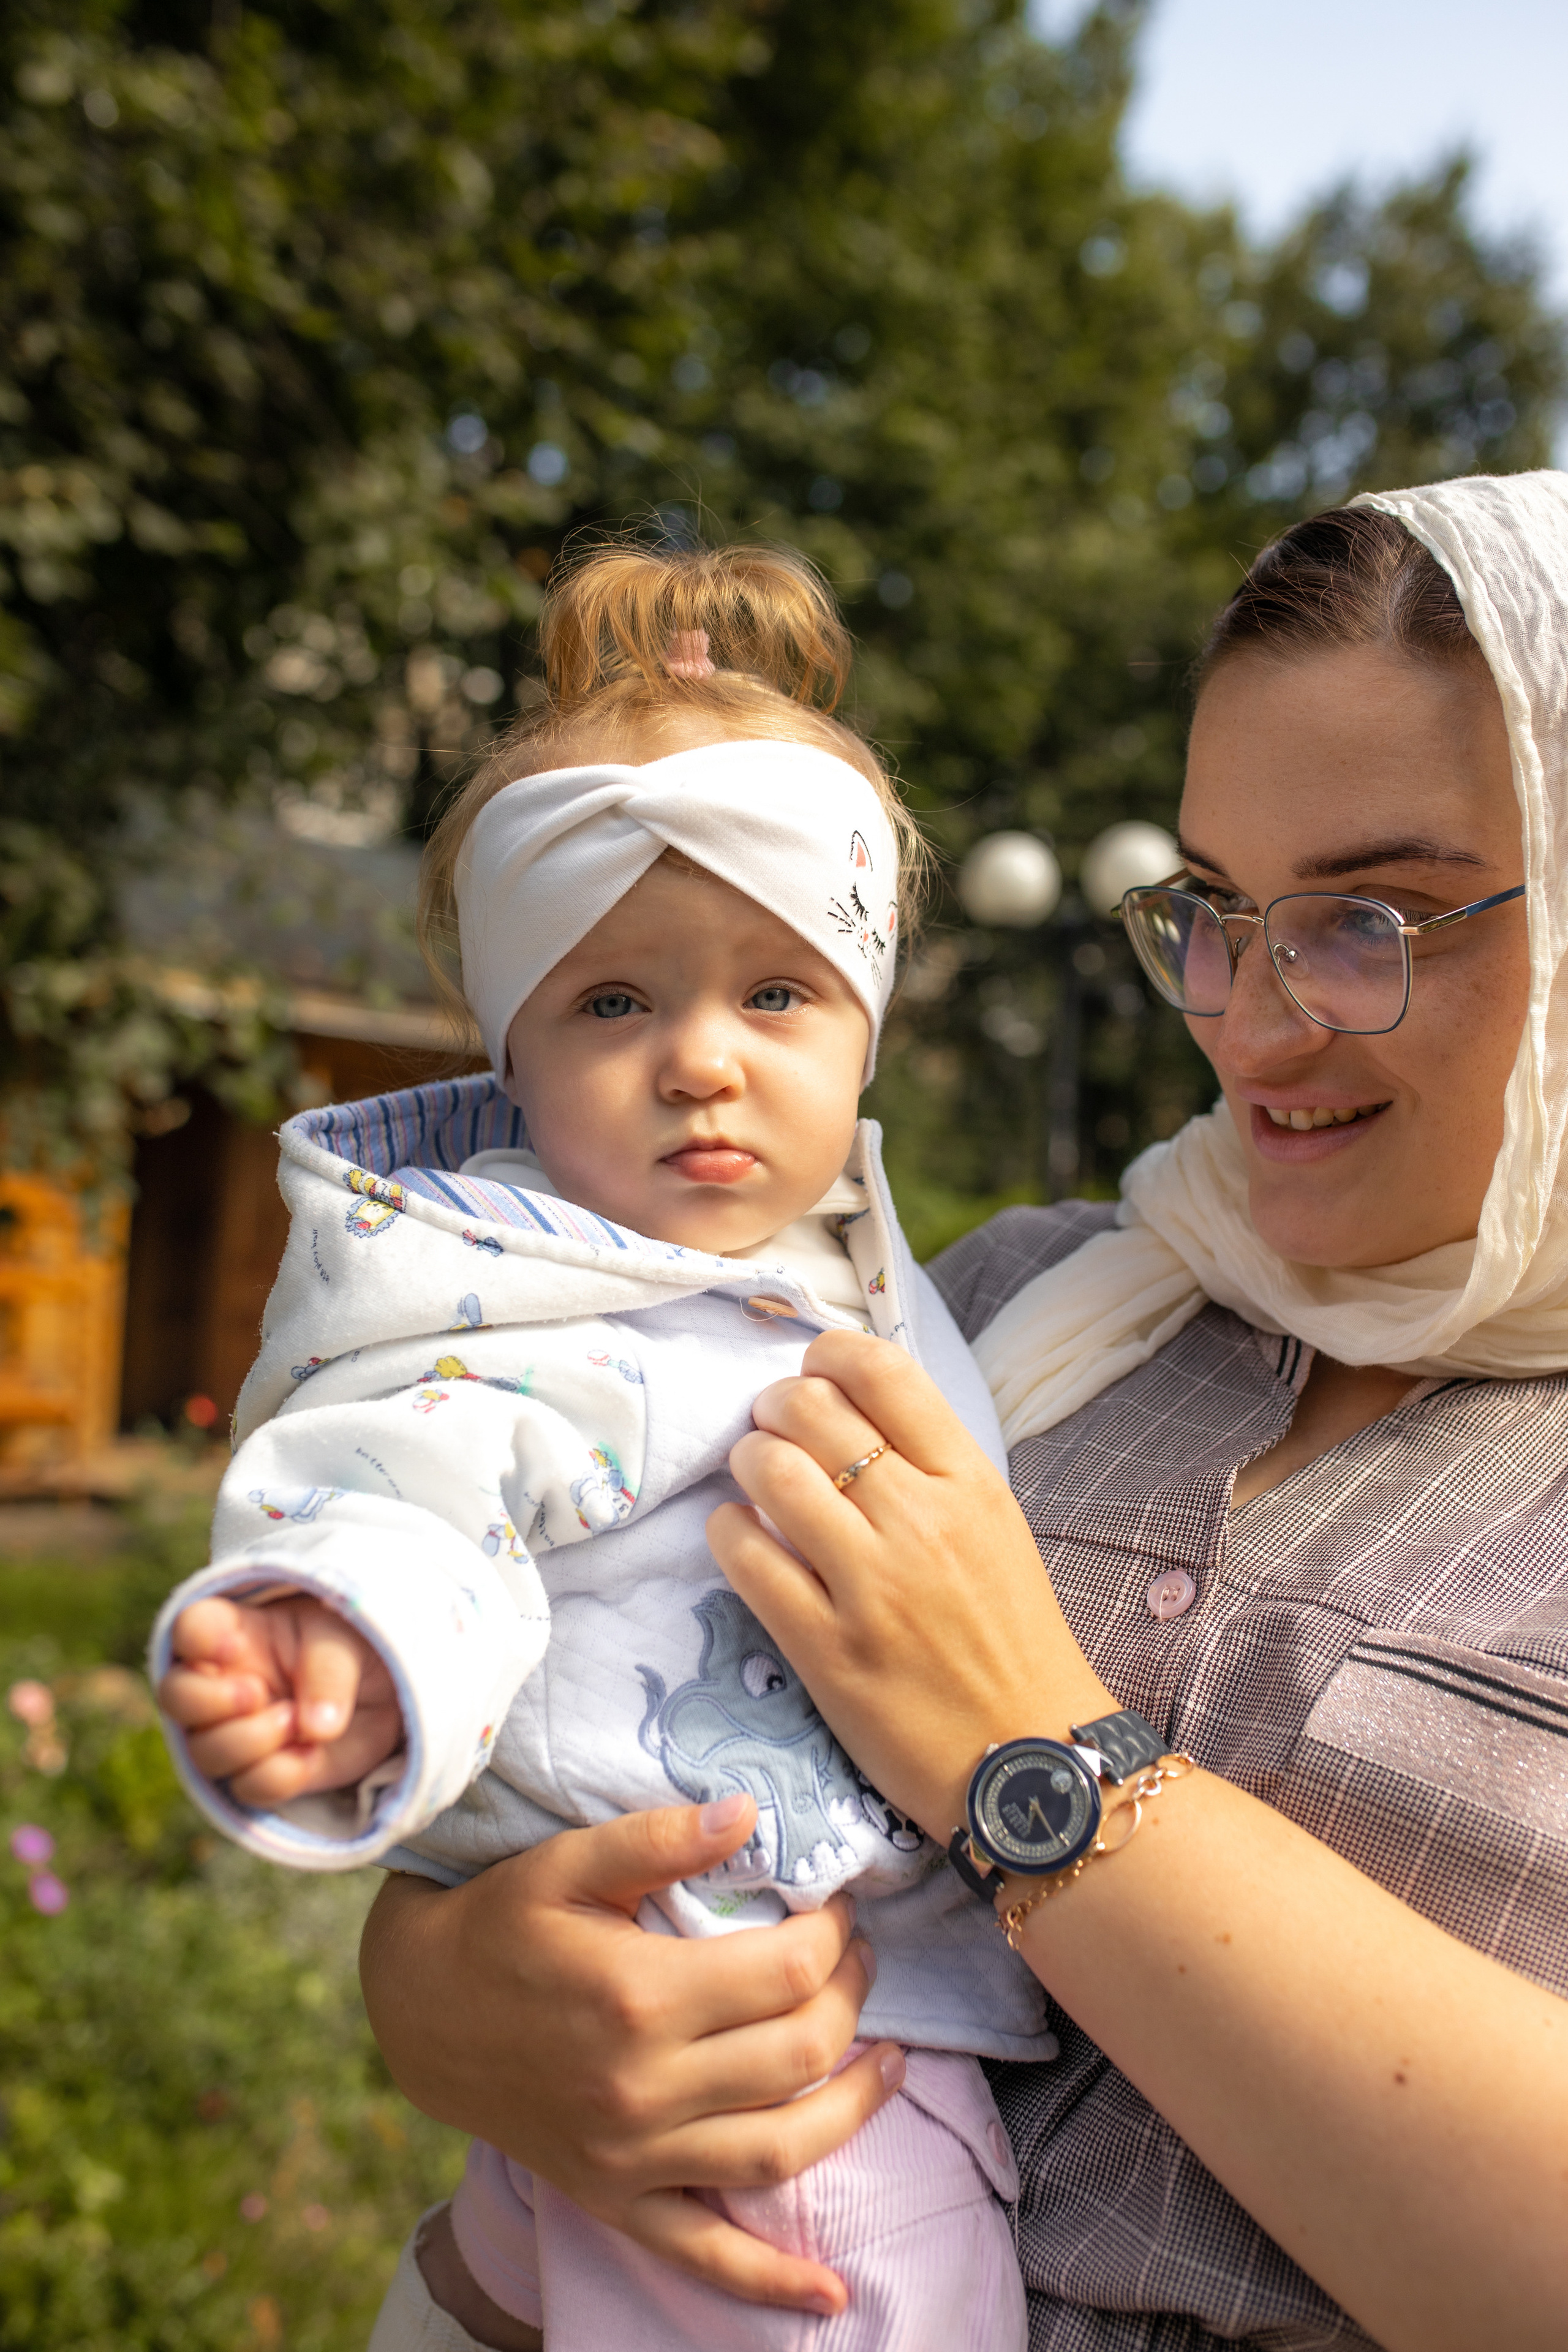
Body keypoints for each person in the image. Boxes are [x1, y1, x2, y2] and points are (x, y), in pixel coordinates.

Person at [356, 472, 1568, 2352]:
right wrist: (445, 1986)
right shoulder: (990, 1300)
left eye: (1375, 920)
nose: (1247, 1021)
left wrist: (1031, 1755)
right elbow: (579, 1690)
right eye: (1220, 912)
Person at [151, 542, 1050, 2352]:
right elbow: (420, 1488)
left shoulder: (809, 1266)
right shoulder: (557, 1310)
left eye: (774, 996)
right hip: (772, 2079)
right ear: (511, 1044)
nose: (702, 1061)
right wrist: (340, 1640)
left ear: (871, 1021)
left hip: (686, 2040)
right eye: (615, 1003)